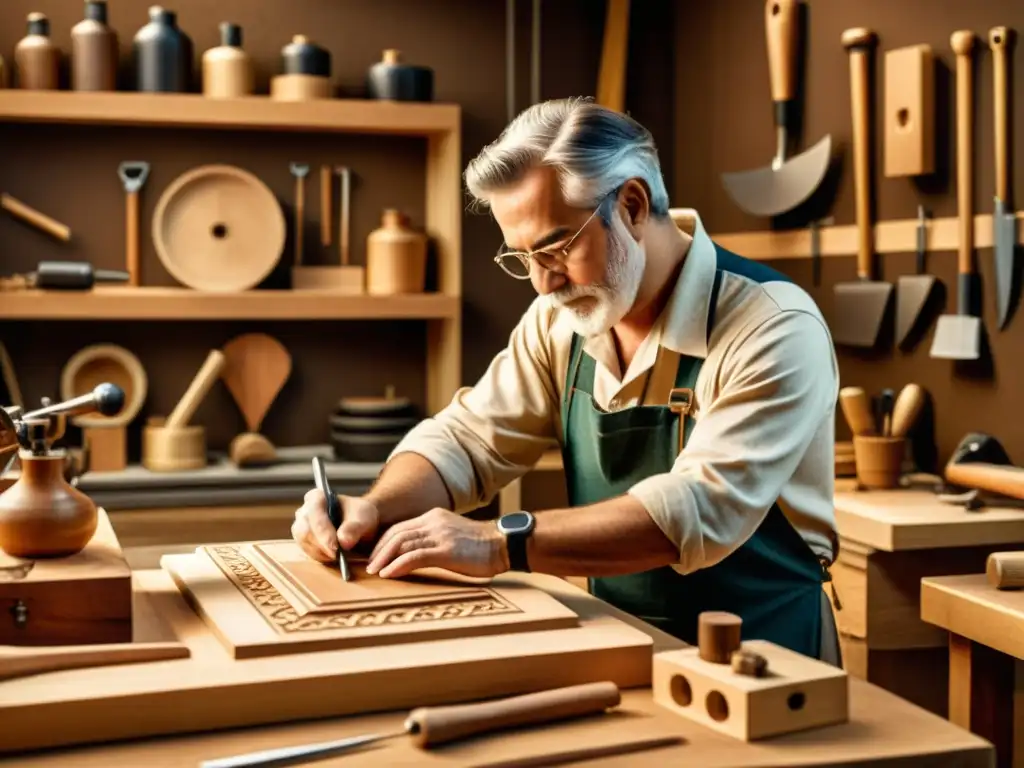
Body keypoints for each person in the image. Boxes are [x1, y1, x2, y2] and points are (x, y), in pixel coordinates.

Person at [293, 97, 842, 664]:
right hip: (622, 644)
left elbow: (698, 510)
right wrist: (375, 510)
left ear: (631, 205)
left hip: (767, 658)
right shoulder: (563, 320)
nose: (541, 283)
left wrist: (501, 542)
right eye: (522, 257)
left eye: (557, 247)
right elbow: (468, 441)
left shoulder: (773, 326)